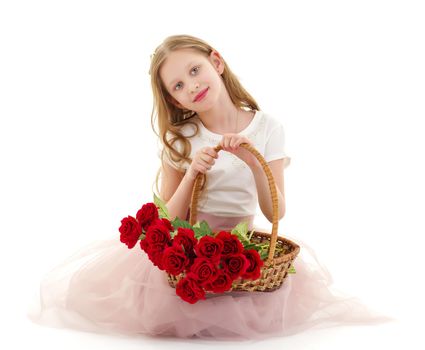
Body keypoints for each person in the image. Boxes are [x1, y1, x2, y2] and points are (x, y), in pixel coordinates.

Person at [27, 34, 393, 341]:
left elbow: (276, 213)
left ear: (216, 62)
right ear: (175, 100)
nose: (193, 85)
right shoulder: (183, 138)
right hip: (190, 250)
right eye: (179, 86)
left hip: (241, 248)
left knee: (248, 309)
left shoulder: (267, 128)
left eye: (194, 70)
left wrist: (252, 162)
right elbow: (168, 217)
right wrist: (191, 173)